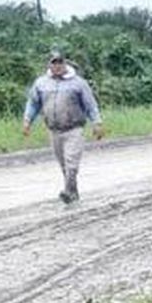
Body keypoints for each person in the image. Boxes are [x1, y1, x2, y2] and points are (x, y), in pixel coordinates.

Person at [22, 50, 104, 204]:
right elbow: (33, 103)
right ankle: (73, 191)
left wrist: (97, 123)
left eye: (60, 62)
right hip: (53, 130)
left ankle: (67, 191)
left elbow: (90, 104)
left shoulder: (78, 83)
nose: (58, 66)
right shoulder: (41, 83)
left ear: (65, 63)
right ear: (49, 65)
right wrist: (27, 121)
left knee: (71, 161)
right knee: (63, 164)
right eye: (54, 63)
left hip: (74, 129)